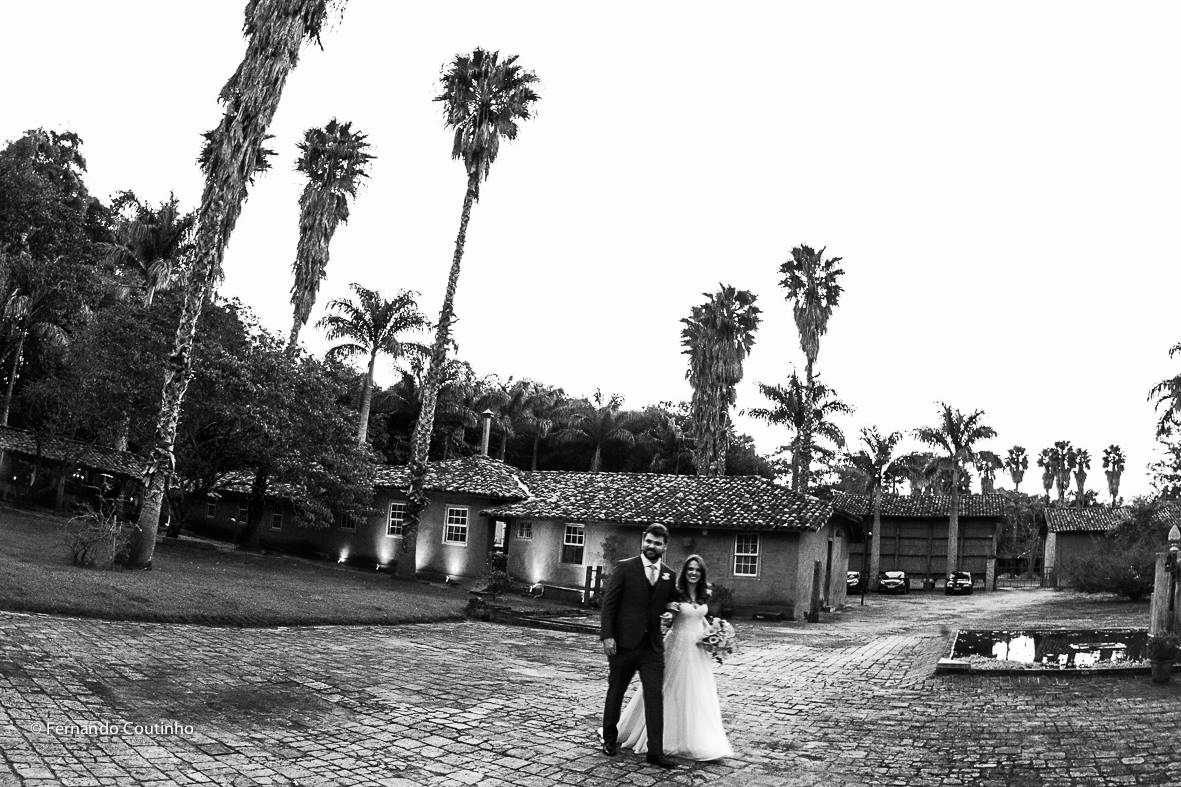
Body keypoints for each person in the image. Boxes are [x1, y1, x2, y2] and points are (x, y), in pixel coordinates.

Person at [615, 554, 734, 761]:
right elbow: (667, 615)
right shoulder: (676, 594)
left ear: (701, 572)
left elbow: (700, 619)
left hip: (698, 651)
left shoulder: (705, 593)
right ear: (685, 572)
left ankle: (697, 738)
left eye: (697, 569)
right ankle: (663, 738)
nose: (693, 573)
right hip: (677, 646)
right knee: (669, 690)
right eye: (690, 569)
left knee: (697, 693)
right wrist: (667, 615)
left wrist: (717, 633)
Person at [599, 523, 679, 769]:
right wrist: (608, 636)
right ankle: (610, 739)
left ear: (665, 546)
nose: (652, 546)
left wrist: (671, 610)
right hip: (623, 643)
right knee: (616, 691)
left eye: (658, 543)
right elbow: (609, 605)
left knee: (655, 696)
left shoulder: (668, 575)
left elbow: (670, 601)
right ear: (643, 541)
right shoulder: (625, 568)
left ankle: (655, 752)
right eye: (649, 541)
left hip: (652, 647)